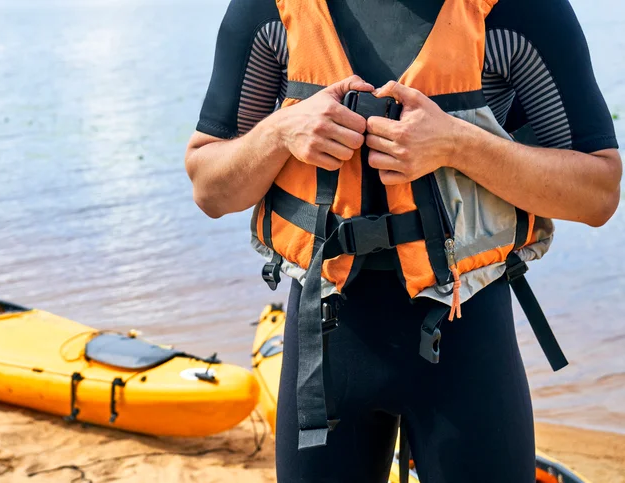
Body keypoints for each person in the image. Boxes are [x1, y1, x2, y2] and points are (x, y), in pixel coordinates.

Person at [185, 0, 621, 481]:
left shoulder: (520, 11)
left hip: (467, 339)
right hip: (324, 344)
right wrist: (280, 131)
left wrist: (458, 143)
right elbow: (210, 188)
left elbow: (597, 193)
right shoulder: (269, 11)